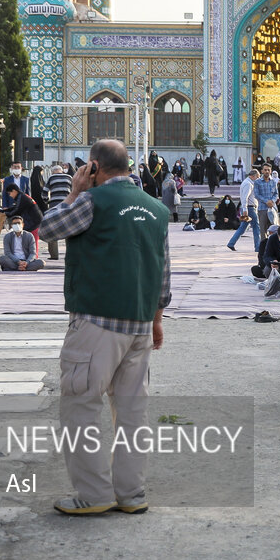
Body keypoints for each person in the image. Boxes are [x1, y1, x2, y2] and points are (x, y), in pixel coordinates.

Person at [39, 138, 170, 515]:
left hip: (97, 321)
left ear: (94, 167)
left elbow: (48, 229)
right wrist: (157, 320)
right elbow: (163, 272)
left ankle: (94, 494)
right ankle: (131, 494)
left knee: (82, 404)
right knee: (131, 411)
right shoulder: (157, 210)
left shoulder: (92, 202)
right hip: (140, 325)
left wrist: (75, 189)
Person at [227, 168, 261, 251]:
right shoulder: (248, 184)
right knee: (256, 227)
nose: (258, 179)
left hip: (249, 208)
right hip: (249, 208)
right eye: (258, 177)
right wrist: (245, 209)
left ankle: (231, 243)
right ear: (253, 176)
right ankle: (258, 247)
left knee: (243, 228)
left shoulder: (249, 182)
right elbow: (244, 197)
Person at [45, 162, 73, 260]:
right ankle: (71, 254)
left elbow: (44, 192)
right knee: (69, 230)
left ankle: (54, 255)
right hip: (67, 205)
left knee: (52, 229)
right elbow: (74, 191)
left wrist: (47, 201)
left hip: (54, 206)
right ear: (61, 171)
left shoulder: (51, 178)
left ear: (53, 172)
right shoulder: (69, 177)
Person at [253, 163, 280, 234]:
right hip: (262, 209)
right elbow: (256, 195)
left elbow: (276, 194)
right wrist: (266, 201)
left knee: (274, 229)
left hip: (273, 208)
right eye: (265, 170)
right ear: (262, 171)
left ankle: (273, 244)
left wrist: (272, 201)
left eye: (268, 170)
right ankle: (264, 244)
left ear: (271, 171)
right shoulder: (257, 182)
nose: (267, 171)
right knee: (263, 230)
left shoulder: (273, 181)